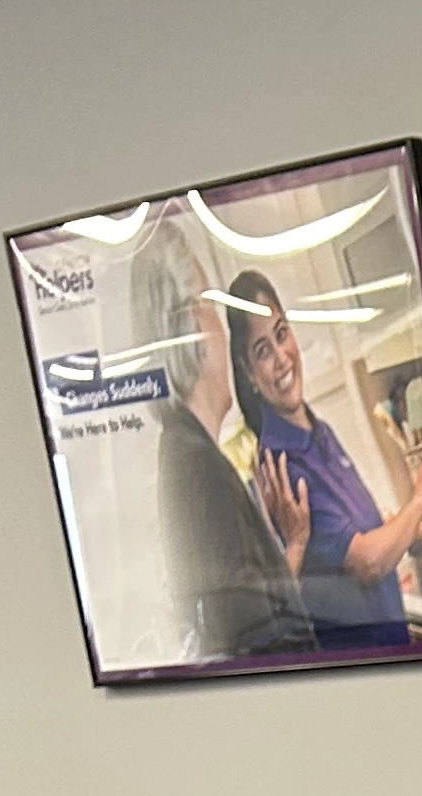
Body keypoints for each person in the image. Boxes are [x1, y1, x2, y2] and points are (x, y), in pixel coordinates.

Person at [224, 268, 422, 650]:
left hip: (391, 647)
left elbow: (358, 538)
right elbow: (368, 563)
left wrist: (397, 525)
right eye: (263, 351)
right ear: (249, 373)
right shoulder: (283, 464)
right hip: (362, 664)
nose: (281, 358)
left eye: (281, 334)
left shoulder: (317, 429)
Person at [131, 216, 312, 665]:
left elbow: (247, 620)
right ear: (188, 324)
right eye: (211, 305)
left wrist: (289, 547)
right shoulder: (197, 469)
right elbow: (256, 649)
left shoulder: (189, 453)